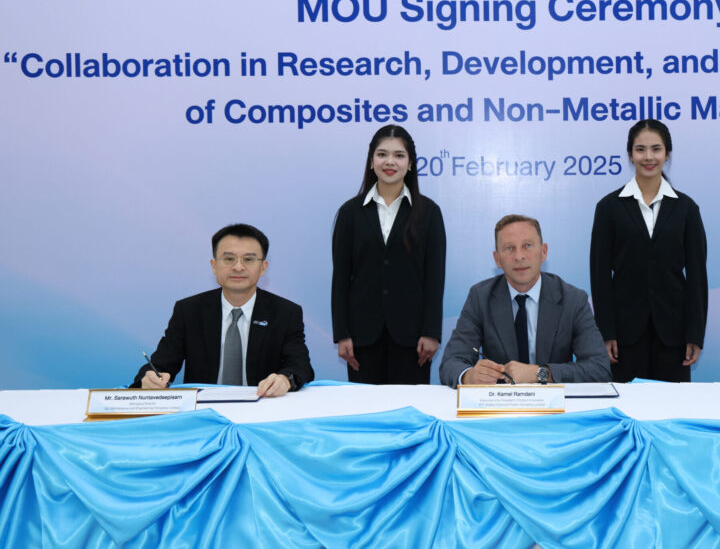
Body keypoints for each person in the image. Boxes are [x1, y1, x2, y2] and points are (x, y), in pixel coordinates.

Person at [132, 224, 313, 396]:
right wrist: (149, 379)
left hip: (263, 407)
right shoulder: (189, 311)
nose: (238, 267)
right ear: (214, 265)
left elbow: (300, 366)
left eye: (248, 259)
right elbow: (159, 365)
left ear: (263, 268)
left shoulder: (286, 313)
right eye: (229, 259)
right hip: (205, 410)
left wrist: (284, 380)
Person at [589, 119, 708, 382]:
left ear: (667, 154)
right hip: (624, 334)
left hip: (674, 333)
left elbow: (697, 277)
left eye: (656, 149)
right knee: (628, 402)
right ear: (630, 155)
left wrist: (695, 334)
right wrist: (606, 332)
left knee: (673, 403)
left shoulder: (687, 208)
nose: (648, 157)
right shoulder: (608, 208)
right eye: (640, 149)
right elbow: (600, 277)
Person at [439, 214, 611, 387]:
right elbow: (451, 362)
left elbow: (599, 368)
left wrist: (540, 373)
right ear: (497, 259)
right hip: (501, 401)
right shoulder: (480, 297)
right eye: (509, 248)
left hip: (554, 402)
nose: (519, 256)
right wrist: (469, 376)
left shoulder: (572, 299)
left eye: (527, 246)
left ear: (543, 252)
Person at [332, 124, 446, 384]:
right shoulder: (350, 213)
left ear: (410, 163)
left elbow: (435, 277)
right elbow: (341, 278)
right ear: (371, 161)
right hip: (361, 338)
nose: (390, 162)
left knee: (409, 407)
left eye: (399, 155)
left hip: (413, 339)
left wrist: (431, 332)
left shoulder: (429, 212)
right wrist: (342, 333)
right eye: (382, 154)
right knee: (365, 407)